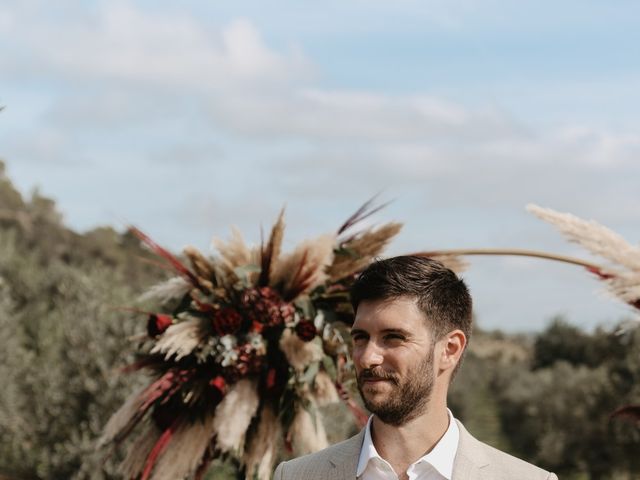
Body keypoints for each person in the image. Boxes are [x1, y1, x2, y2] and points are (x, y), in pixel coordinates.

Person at [273, 255, 558, 480]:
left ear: (450, 350)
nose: (367, 357)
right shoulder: (295, 476)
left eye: (393, 338)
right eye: (361, 338)